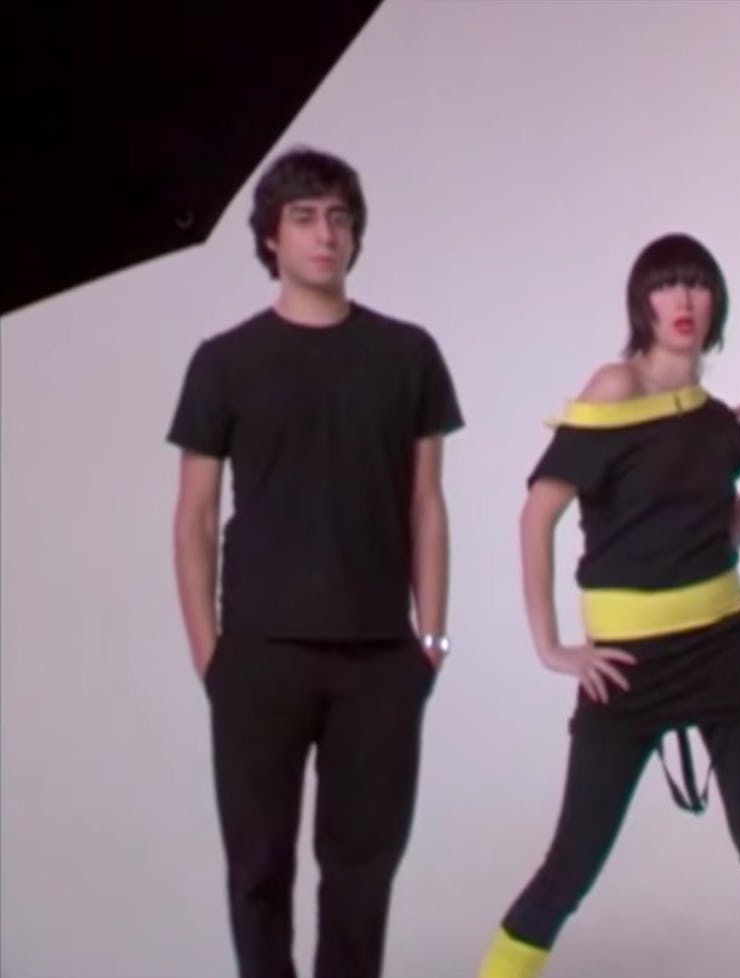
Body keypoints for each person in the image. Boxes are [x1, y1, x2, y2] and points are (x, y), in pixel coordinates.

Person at [474, 233, 740, 978]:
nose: (684, 301)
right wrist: (551, 646)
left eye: (697, 285)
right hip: (627, 664)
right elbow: (537, 515)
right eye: (667, 286)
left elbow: (717, 540)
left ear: (716, 301)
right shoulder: (613, 389)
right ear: (643, 303)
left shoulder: (718, 418)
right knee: (572, 862)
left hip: (726, 647)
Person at [167, 146, 464, 978]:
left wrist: (430, 641)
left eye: (339, 217)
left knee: (362, 878)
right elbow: (192, 516)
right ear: (271, 239)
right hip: (258, 655)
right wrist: (210, 652)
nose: (324, 234)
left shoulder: (407, 354)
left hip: (378, 656)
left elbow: (427, 506)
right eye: (304, 218)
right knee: (258, 870)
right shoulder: (224, 361)